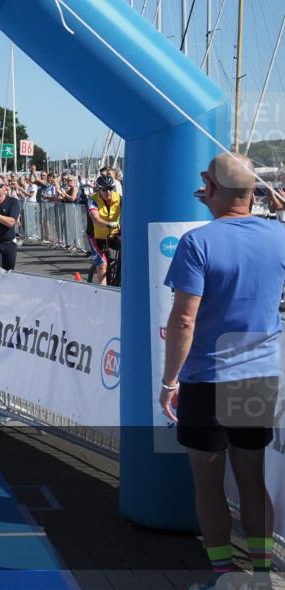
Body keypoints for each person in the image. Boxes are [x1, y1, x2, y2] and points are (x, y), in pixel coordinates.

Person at [160, 153, 282, 581]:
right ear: (256, 193)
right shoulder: (279, 235)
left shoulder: (198, 241)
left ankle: (224, 571)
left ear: (210, 189)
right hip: (258, 375)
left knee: (208, 482)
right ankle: (264, 571)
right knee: (251, 478)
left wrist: (168, 380)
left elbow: (184, 320)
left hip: (207, 377)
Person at [86, 174, 121, 285]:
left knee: (130, 254)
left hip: (114, 234)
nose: (108, 192)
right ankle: (103, 292)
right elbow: (95, 218)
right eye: (104, 189)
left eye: (111, 188)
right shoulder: (93, 200)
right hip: (96, 236)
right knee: (102, 265)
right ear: (99, 189)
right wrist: (109, 224)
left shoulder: (119, 198)